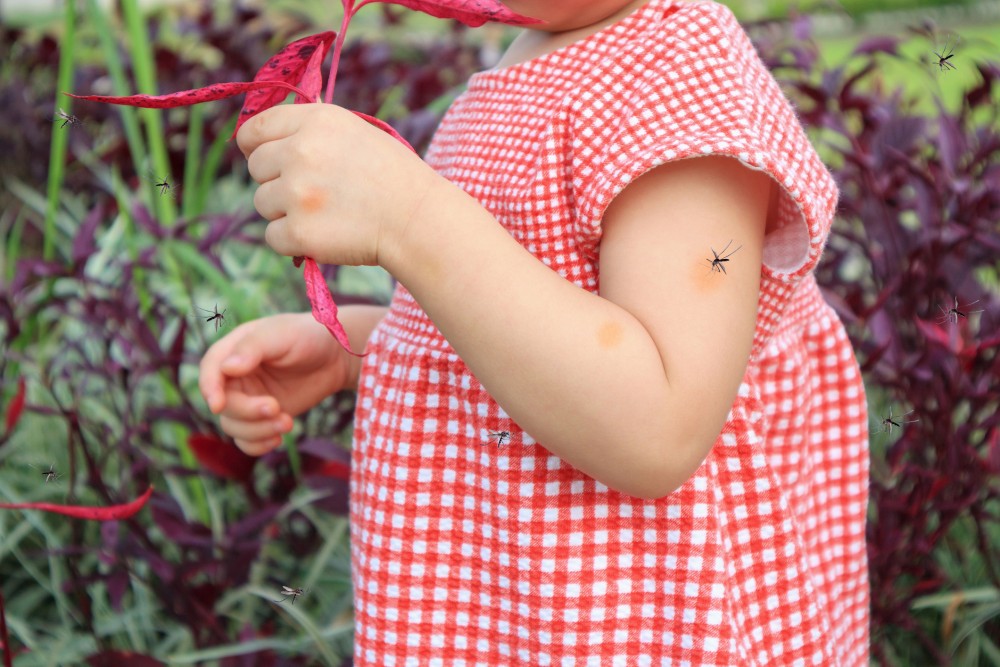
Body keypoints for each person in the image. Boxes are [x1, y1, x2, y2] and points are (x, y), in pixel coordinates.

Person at [198, 0, 870, 663]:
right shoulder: (543, 52)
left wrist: (409, 218)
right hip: (508, 612)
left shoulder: (674, 79)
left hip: (636, 623)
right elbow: (537, 318)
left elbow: (659, 422)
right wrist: (364, 345)